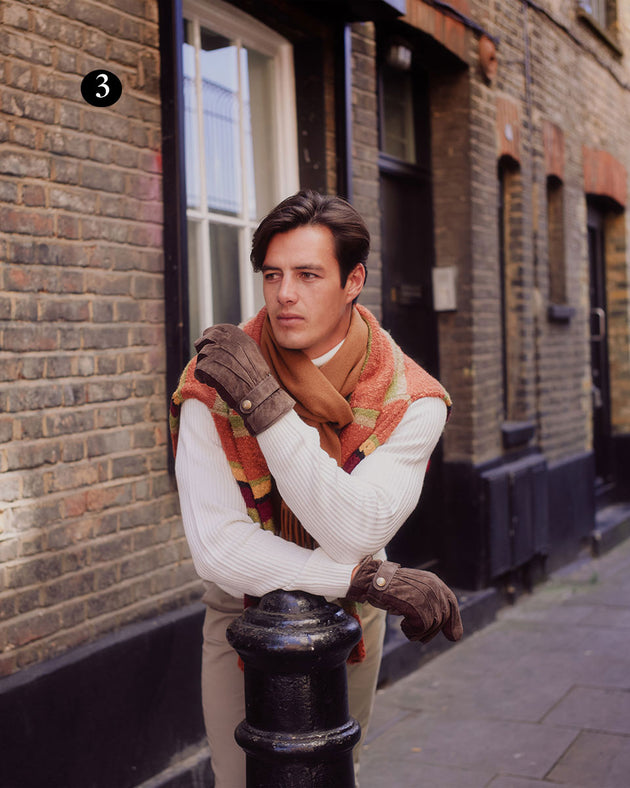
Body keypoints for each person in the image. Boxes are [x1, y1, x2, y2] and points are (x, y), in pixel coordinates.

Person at [170, 190, 462, 787]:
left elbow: (354, 530)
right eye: (272, 274)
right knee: (241, 780)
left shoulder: (410, 399)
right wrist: (365, 577)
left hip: (356, 619)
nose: (284, 294)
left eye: (308, 274)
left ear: (352, 280)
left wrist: (268, 409)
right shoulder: (215, 377)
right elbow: (219, 549)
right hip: (241, 616)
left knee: (333, 774)